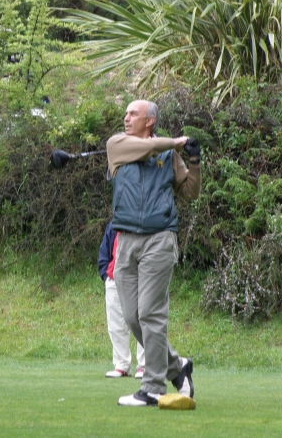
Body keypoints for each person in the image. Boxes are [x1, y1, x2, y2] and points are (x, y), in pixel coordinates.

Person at [106, 99, 202, 407]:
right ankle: (178, 366)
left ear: (150, 120)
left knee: (151, 313)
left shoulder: (168, 156)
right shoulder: (117, 145)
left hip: (159, 240)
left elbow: (189, 192)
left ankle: (153, 388)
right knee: (134, 317)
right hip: (126, 241)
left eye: (133, 114)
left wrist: (194, 161)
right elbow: (144, 148)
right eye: (126, 113)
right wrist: (174, 142)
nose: (126, 118)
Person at [98, 221, 146, 379]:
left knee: (142, 320)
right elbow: (105, 251)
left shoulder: (143, 224)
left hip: (138, 280)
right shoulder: (114, 225)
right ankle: (122, 365)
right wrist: (106, 275)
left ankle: (144, 365)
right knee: (115, 324)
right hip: (113, 278)